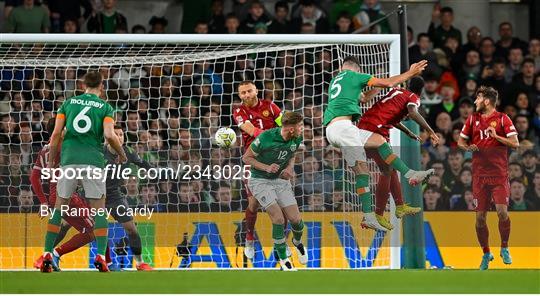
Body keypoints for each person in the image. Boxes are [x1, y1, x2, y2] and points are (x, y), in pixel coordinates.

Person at [323, 56, 432, 231]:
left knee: (364, 167)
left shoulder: (336, 80)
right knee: (369, 161)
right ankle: (409, 175)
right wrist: (410, 73)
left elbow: (364, 98)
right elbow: (388, 84)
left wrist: (376, 87)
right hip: (344, 127)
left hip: (331, 131)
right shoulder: (354, 76)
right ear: (357, 69)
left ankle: (370, 216)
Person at [40, 71, 127, 273]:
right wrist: (122, 155)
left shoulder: (68, 104)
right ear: (102, 86)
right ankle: (101, 257)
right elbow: (109, 135)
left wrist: (53, 160)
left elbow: (55, 134)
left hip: (69, 161)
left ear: (82, 85)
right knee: (99, 210)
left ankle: (46, 253)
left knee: (59, 209)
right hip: (93, 163)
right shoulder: (106, 107)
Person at [357, 76, 440, 230]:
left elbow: (392, 117)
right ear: (421, 91)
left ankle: (398, 206)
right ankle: (378, 214)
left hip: (368, 125)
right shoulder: (412, 97)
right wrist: (430, 131)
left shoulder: (397, 92)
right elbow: (413, 112)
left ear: (407, 84)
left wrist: (408, 132)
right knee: (387, 169)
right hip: (373, 129)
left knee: (389, 168)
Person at [31, 118, 107, 271]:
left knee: (65, 226)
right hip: (68, 197)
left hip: (55, 197)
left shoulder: (45, 150)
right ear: (61, 129)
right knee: (92, 231)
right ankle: (54, 254)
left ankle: (48, 256)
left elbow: (34, 177)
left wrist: (44, 202)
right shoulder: (65, 146)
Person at [458, 86, 519, 270]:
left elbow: (515, 143)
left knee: (502, 212)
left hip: (499, 176)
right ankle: (486, 253)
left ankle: (505, 247)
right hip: (479, 177)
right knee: (480, 219)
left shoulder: (502, 119)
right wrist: (467, 148)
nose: (475, 102)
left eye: (477, 98)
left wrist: (497, 137)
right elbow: (460, 141)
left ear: (486, 101)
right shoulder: (472, 119)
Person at [243, 111, 307, 271]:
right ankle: (284, 260)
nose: (302, 129)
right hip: (260, 181)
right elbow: (246, 158)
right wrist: (266, 167)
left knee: (296, 221)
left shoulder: (296, 138)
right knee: (278, 218)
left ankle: (297, 243)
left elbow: (292, 153)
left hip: (280, 181)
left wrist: (290, 168)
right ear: (291, 129)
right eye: (300, 126)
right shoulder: (265, 138)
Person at [232, 81, 285, 260]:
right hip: (252, 160)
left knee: (282, 202)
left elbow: (283, 124)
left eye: (249, 91)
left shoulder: (270, 107)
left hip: (275, 158)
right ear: (240, 95)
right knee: (253, 204)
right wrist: (272, 138)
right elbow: (249, 129)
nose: (246, 95)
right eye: (243, 93)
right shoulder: (238, 111)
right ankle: (249, 238)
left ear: (256, 91)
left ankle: (280, 244)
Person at [103, 125, 153, 271]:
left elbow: (143, 164)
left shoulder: (129, 152)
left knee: (132, 228)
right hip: (94, 195)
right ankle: (50, 254)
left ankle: (140, 262)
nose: (119, 137)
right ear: (108, 138)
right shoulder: (99, 151)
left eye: (121, 135)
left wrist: (157, 172)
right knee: (96, 230)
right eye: (115, 134)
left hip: (114, 195)